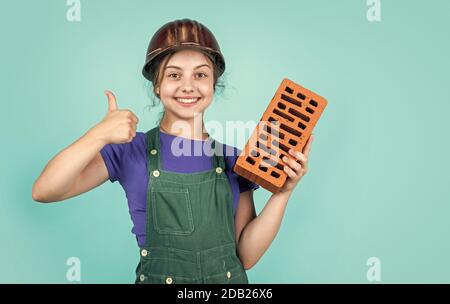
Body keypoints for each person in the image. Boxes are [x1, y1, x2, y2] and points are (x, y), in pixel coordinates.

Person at [32, 18, 314, 284]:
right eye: (174, 75)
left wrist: (283, 192)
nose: (188, 86)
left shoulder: (234, 158)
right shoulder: (131, 151)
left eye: (200, 75)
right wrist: (98, 135)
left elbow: (247, 256)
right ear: (157, 85)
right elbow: (45, 190)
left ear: (213, 84)